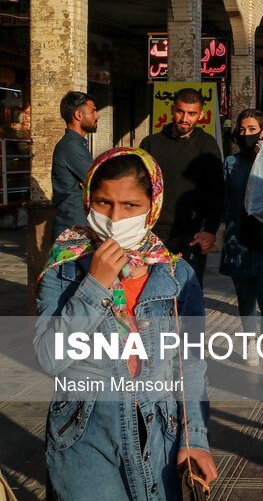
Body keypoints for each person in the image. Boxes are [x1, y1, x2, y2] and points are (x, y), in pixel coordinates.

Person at [34, 147, 218, 499]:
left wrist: (195, 437)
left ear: (152, 205)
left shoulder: (177, 275)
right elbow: (48, 358)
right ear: (88, 200)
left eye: (130, 206)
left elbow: (189, 365)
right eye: (103, 203)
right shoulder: (64, 265)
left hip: (160, 434)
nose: (115, 218)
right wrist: (94, 286)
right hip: (85, 437)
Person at [220, 109, 263, 385]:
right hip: (239, 242)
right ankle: (250, 341)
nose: (246, 134)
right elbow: (225, 200)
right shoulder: (231, 163)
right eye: (243, 129)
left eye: (252, 129)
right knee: (246, 302)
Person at [139, 88, 224, 287]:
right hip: (154, 233)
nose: (185, 118)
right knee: (153, 291)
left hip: (192, 235)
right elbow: (139, 188)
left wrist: (211, 230)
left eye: (192, 113)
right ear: (172, 110)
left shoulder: (207, 145)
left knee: (189, 294)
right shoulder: (151, 143)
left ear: (201, 115)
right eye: (180, 112)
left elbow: (217, 191)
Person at [51, 91, 98, 238]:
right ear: (78, 115)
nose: (97, 116)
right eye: (93, 111)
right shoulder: (72, 146)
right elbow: (98, 180)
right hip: (73, 230)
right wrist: (91, 183)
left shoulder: (77, 144)